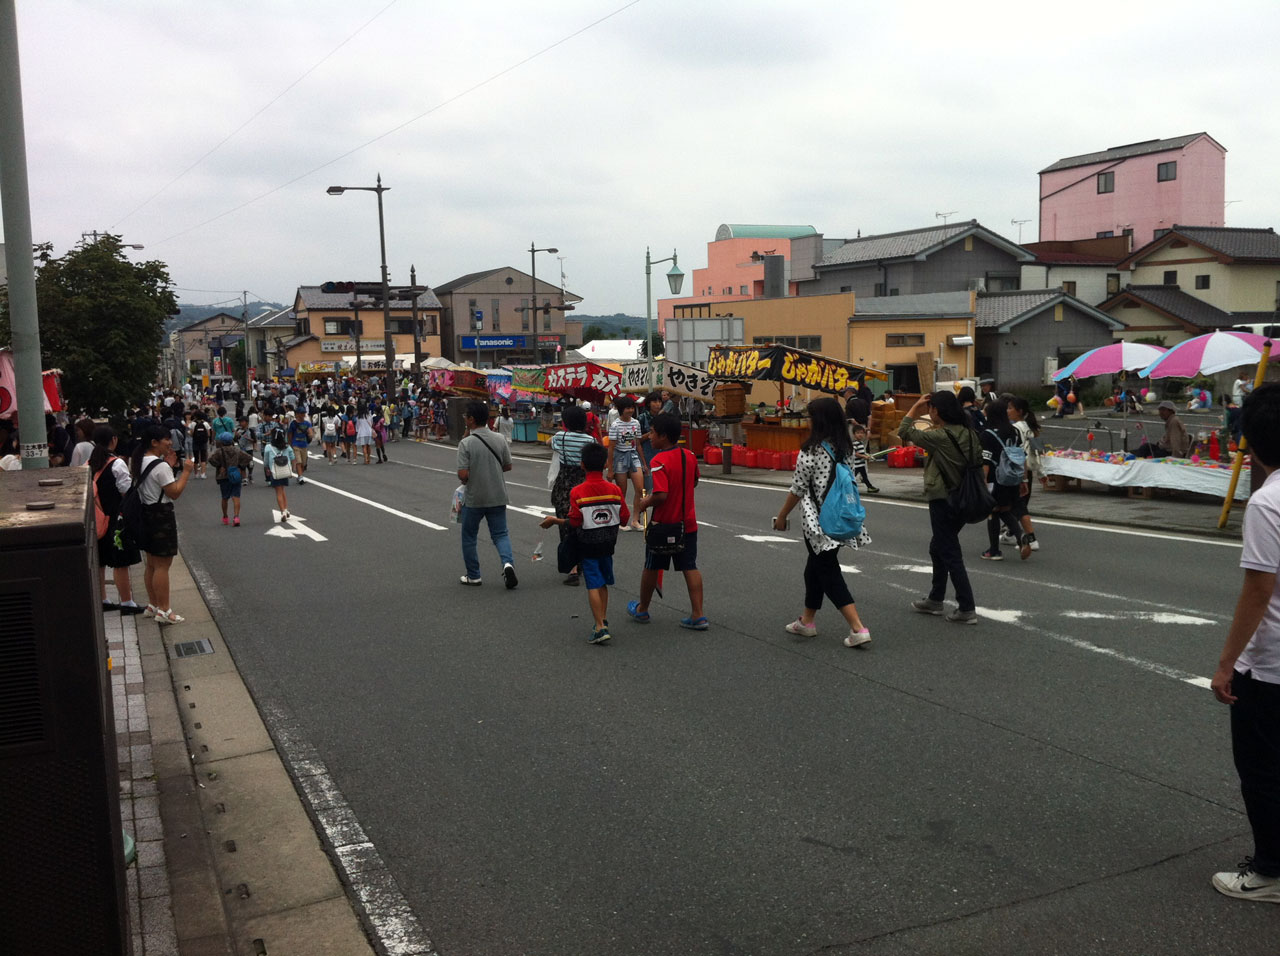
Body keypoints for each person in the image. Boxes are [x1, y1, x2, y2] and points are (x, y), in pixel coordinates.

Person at [1210, 383, 1280, 903]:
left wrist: (1226, 664)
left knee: (1262, 770)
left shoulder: (1267, 503)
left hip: (1272, 664)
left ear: (1251, 443)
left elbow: (1259, 589)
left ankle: (1271, 872)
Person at [772, 397, 873, 647]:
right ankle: (807, 621)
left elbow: (798, 488)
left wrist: (782, 515)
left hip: (817, 521)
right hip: (841, 516)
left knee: (827, 571)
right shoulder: (845, 448)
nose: (808, 421)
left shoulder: (811, 450)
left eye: (810, 417)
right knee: (815, 567)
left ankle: (858, 628)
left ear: (819, 420)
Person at [898, 391, 979, 624]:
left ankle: (966, 607)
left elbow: (904, 431)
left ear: (937, 411)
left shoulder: (940, 436)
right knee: (938, 547)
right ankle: (935, 598)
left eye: (931, 408)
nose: (929, 412)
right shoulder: (970, 433)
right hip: (965, 497)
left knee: (950, 551)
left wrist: (915, 407)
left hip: (943, 498)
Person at [539, 442, 628, 644]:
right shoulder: (615, 490)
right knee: (603, 583)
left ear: (582, 465)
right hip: (608, 544)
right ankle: (603, 618)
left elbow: (575, 522)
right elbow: (624, 519)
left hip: (587, 545)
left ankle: (600, 627)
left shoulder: (578, 492)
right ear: (605, 464)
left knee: (593, 584)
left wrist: (554, 521)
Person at [626, 412, 707, 630]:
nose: (649, 436)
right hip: (687, 523)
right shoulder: (689, 455)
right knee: (689, 566)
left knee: (651, 566)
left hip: (663, 525)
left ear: (663, 436)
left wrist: (644, 503)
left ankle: (642, 609)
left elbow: (661, 495)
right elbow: (694, 481)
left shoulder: (659, 460)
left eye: (652, 432)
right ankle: (698, 615)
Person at [132, 425, 193, 624]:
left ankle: (153, 605)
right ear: (154, 442)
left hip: (145, 513)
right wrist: (186, 472)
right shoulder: (160, 466)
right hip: (161, 516)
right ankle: (165, 611)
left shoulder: (139, 460)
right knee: (162, 566)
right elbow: (174, 492)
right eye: (166, 439)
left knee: (151, 563)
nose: (170, 443)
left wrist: (170, 466)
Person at [456, 401, 517, 589]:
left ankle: (474, 575)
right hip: (497, 495)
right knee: (500, 534)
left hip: (474, 498)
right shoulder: (499, 439)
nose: (464, 419)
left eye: (466, 416)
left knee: (469, 536)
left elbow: (463, 474)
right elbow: (507, 465)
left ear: (471, 419)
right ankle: (507, 564)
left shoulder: (466, 443)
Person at [89, 425, 145, 615]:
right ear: (113, 440)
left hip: (96, 519)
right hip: (116, 519)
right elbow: (126, 491)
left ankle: (102, 599)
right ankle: (127, 602)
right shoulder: (116, 463)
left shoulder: (88, 463)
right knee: (121, 561)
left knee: (100, 560)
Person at [978, 398, 1031, 561]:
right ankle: (1021, 538)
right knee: (1005, 509)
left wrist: (982, 483)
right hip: (1012, 477)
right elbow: (1020, 456)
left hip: (995, 479)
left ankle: (994, 550)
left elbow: (986, 462)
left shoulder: (987, 434)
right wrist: (1023, 479)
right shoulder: (1013, 431)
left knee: (993, 511)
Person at [549, 405, 596, 586]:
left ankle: (573, 569)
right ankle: (583, 561)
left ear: (566, 422)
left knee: (565, 525)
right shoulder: (591, 440)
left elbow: (549, 443)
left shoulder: (560, 437)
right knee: (584, 524)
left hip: (564, 485)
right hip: (585, 485)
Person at [1006, 396, 1042, 552]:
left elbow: (1019, 452)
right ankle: (1010, 533)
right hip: (1028, 470)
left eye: (1010, 408)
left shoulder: (1016, 428)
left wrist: (1023, 478)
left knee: (1018, 506)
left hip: (1018, 470)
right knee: (1018, 505)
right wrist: (1040, 472)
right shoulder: (1029, 427)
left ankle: (1031, 539)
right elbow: (1037, 451)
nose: (1007, 411)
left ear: (1019, 411)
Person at [608, 396, 646, 531]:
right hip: (620, 457)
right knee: (621, 491)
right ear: (621, 410)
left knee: (640, 489)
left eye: (631, 408)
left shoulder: (636, 423)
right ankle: (620, 520)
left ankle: (635, 520)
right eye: (627, 408)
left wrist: (644, 463)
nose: (630, 410)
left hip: (633, 455)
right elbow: (611, 447)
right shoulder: (615, 425)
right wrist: (610, 469)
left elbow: (638, 444)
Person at [208, 431, 251, 526]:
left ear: (221, 441)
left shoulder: (219, 451)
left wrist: (219, 465)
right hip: (235, 475)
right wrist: (240, 467)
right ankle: (236, 517)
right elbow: (248, 457)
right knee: (236, 496)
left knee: (225, 497)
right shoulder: (237, 450)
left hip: (223, 476)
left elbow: (210, 459)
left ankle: (225, 517)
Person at [262, 426, 294, 521]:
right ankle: (286, 509)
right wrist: (292, 468)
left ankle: (283, 512)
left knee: (278, 492)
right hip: (285, 471)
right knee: (282, 490)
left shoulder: (268, 447)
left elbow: (266, 461)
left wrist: (267, 469)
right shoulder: (287, 447)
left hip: (274, 472)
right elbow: (292, 458)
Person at [850, 422, 879, 493]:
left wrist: (867, 455)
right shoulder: (855, 443)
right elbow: (855, 453)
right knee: (852, 477)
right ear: (854, 434)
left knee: (864, 477)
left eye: (862, 433)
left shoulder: (861, 443)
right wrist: (863, 456)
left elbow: (862, 452)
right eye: (858, 433)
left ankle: (869, 487)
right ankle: (847, 487)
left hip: (861, 464)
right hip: (856, 465)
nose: (860, 434)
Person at [287, 407, 313, 483]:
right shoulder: (293, 423)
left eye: (304, 413)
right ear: (297, 414)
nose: (303, 415)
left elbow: (310, 432)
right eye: (301, 413)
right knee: (298, 461)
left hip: (304, 445)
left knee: (303, 463)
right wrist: (290, 444)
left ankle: (300, 475)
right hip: (295, 444)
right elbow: (290, 434)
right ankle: (300, 477)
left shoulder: (307, 423)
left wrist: (310, 434)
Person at [234, 416, 256, 484]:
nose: (240, 423)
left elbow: (254, 440)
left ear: (247, 422)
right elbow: (235, 440)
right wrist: (236, 436)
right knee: (241, 464)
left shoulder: (250, 431)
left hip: (249, 449)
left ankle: (250, 474)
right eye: (240, 422)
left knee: (250, 464)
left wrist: (248, 438)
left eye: (242, 421)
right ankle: (244, 478)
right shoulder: (238, 430)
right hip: (241, 449)